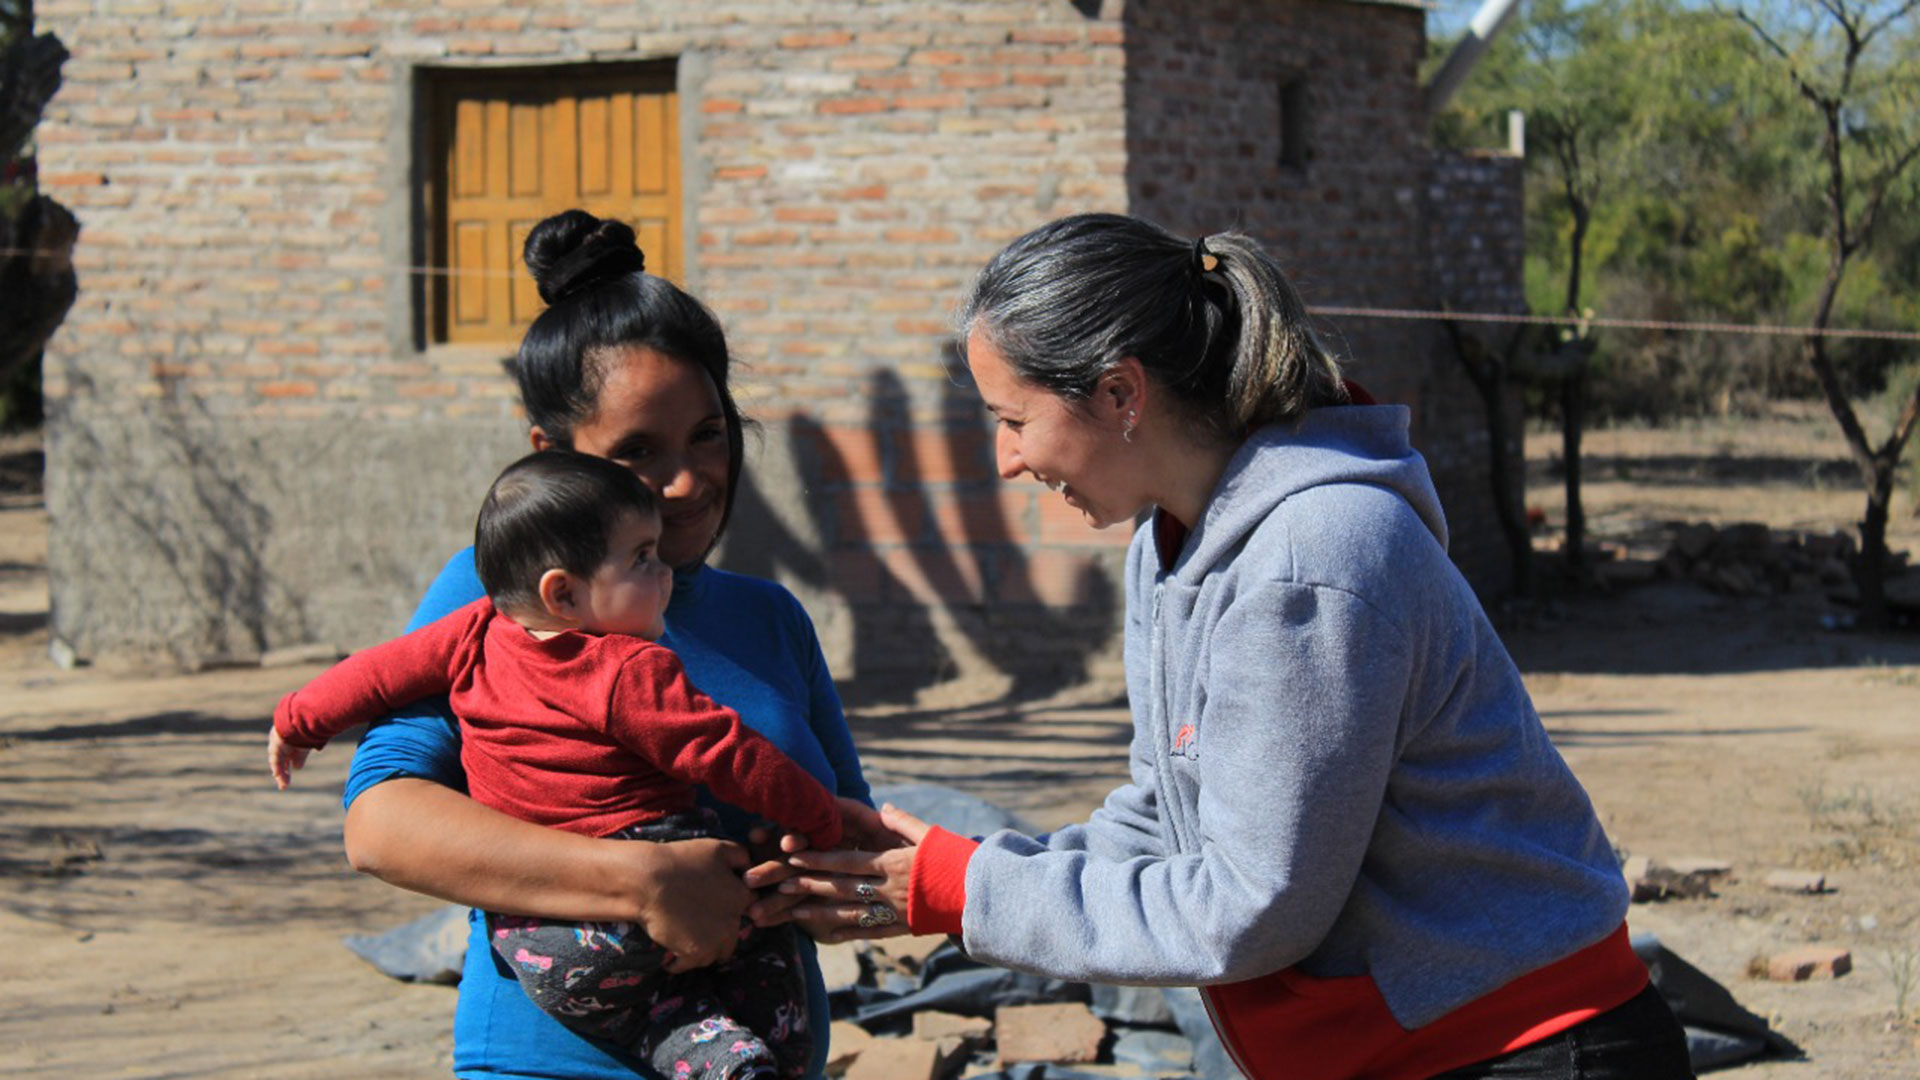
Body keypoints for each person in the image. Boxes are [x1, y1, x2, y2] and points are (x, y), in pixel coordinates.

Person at [778, 213, 1696, 1080]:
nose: (1008, 461)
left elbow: (1251, 909)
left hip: (1523, 1048)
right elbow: (1163, 820)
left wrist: (962, 891)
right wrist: (954, 864)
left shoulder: (1309, 559)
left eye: (1014, 420)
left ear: (1121, 393)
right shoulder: (1172, 544)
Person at [338, 209, 877, 1080]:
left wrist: (823, 886)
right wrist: (641, 882)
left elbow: (850, 844)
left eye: (709, 432)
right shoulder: (506, 602)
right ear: (552, 455)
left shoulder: (770, 618)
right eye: (636, 452)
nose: (690, 480)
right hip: (559, 1058)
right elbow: (382, 827)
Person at [272, 449, 844, 1079]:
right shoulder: (626, 668)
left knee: (651, 1014)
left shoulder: (471, 633)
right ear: (564, 593)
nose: (665, 574)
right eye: (642, 558)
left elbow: (375, 673)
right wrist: (819, 817)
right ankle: (763, 1063)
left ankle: (704, 1050)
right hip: (641, 888)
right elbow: (726, 753)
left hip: (540, 947)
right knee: (758, 935)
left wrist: (297, 721)